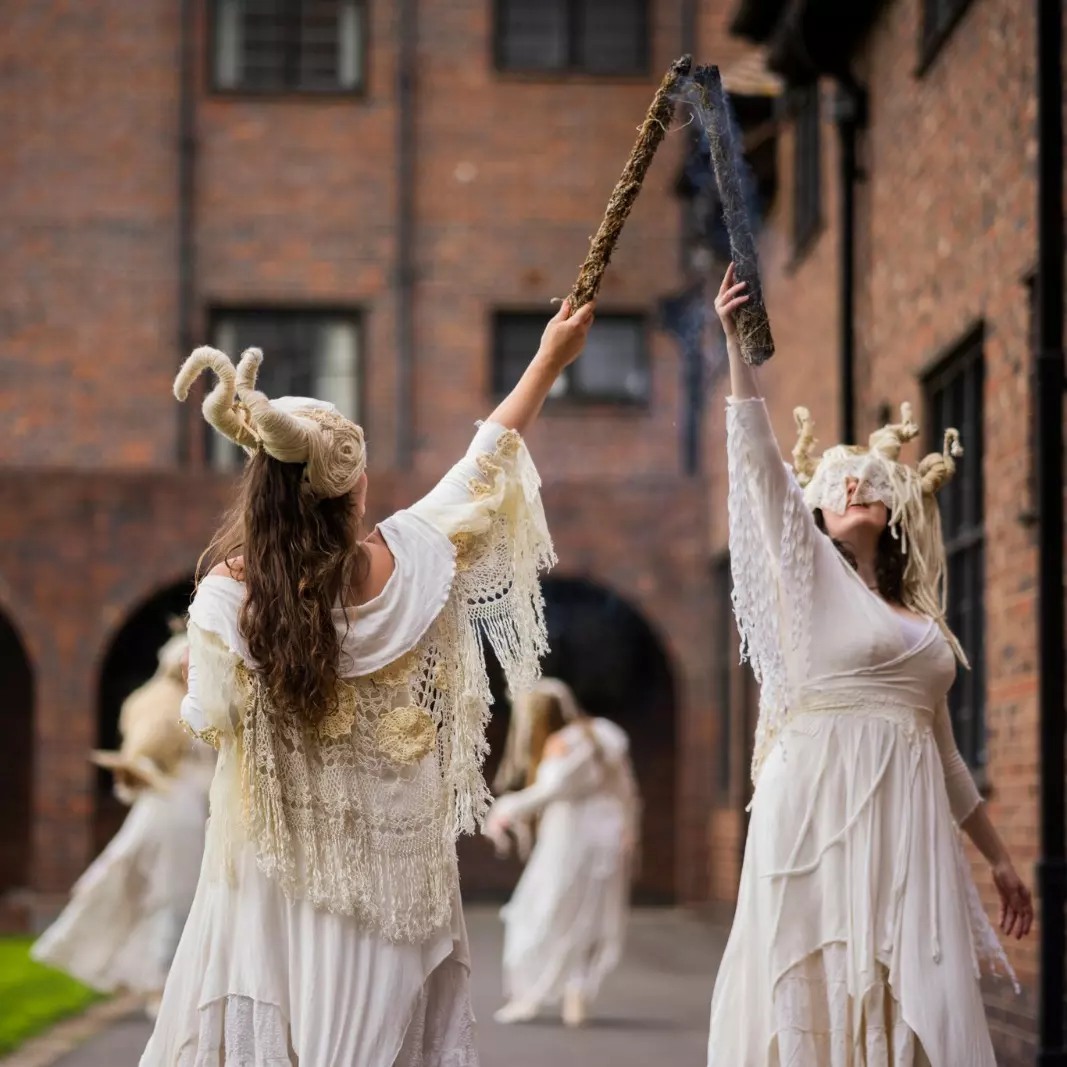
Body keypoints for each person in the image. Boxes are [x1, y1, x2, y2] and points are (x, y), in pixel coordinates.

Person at [140, 298, 594, 1066]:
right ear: (349, 477)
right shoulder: (411, 557)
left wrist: (198, 675)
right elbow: (485, 457)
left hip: (283, 868)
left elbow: (208, 712)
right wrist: (549, 356)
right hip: (401, 873)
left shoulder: (230, 591)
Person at [705, 264, 1033, 1066]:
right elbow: (756, 463)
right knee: (815, 981)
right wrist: (731, 345)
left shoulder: (922, 627)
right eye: (833, 481)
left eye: (866, 479)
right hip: (818, 807)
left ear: (889, 512)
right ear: (815, 512)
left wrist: (996, 856)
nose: (850, 481)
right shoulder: (810, 579)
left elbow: (947, 755)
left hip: (906, 822)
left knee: (905, 994)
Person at [32, 628, 214, 1018]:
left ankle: (169, 982)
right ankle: (163, 984)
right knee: (172, 894)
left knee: (173, 893)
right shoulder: (163, 708)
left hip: (187, 812)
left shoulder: (199, 705)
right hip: (175, 812)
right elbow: (142, 764)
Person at [484, 678, 639, 1028]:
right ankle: (577, 990)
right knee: (590, 913)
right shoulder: (604, 733)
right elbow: (627, 789)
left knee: (540, 909)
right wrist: (630, 828)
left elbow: (550, 789)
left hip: (570, 835)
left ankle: (534, 992)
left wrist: (505, 809)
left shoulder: (560, 744)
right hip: (607, 832)